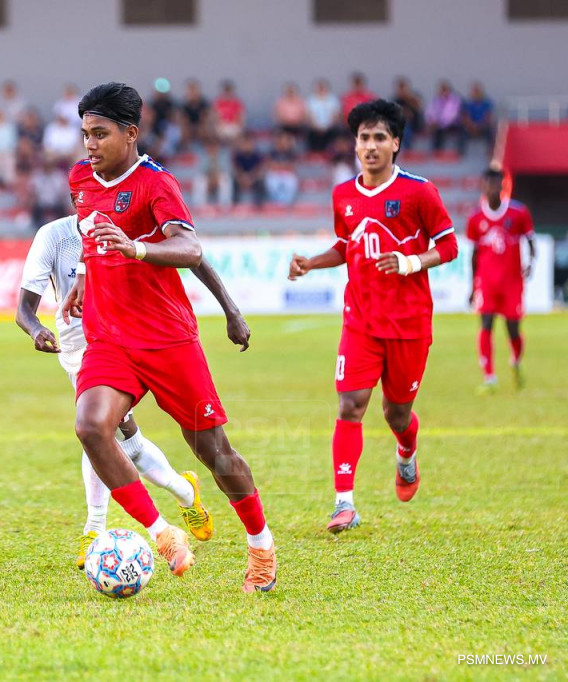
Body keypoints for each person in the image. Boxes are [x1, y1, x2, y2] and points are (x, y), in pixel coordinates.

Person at [60, 82, 276, 592]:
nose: (90, 144)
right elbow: (92, 236)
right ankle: (163, 534)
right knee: (91, 427)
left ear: (130, 133)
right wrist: (84, 277)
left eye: (101, 133)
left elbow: (191, 249)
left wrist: (229, 308)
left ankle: (261, 545)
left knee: (214, 453)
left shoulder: (156, 183)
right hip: (109, 339)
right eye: (85, 133)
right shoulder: (80, 178)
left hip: (167, 339)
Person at [18, 213, 256, 567]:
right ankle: (185, 492)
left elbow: (192, 254)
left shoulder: (130, 215)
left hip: (126, 336)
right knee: (121, 441)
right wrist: (36, 329)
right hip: (77, 345)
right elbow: (23, 309)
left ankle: (95, 528)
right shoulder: (54, 236)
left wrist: (230, 310)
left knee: (103, 432)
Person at [288, 99, 459, 534]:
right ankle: (344, 503)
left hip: (409, 324)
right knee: (350, 405)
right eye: (363, 137)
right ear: (355, 144)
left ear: (395, 143)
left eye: (380, 137)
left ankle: (406, 453)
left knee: (396, 414)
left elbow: (449, 246)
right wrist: (311, 263)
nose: (370, 145)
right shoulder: (343, 194)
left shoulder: (419, 192)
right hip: (360, 322)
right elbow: (347, 245)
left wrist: (410, 262)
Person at [466, 168, 535, 392]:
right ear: (483, 186)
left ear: (503, 186)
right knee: (486, 324)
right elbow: (473, 255)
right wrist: (472, 287)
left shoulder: (519, 212)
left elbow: (531, 242)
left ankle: (516, 361)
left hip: (512, 282)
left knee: (513, 329)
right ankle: (489, 378)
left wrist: (530, 263)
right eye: (488, 184)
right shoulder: (475, 218)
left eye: (496, 184)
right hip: (486, 282)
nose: (492, 188)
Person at [426, 80, 463, 154]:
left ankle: (459, 152)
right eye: (442, 90)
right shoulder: (435, 100)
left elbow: (452, 115)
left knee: (460, 131)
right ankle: (436, 152)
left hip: (452, 124)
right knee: (435, 131)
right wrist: (431, 121)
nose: (443, 92)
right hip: (438, 124)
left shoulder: (455, 101)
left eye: (445, 90)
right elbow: (429, 112)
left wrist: (440, 123)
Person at [306, 78, 342, 153]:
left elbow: (336, 115)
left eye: (323, 87)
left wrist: (328, 126)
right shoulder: (311, 100)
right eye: (319, 87)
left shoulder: (333, 100)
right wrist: (316, 126)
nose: (321, 89)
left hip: (330, 127)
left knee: (336, 133)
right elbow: (309, 115)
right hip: (315, 128)